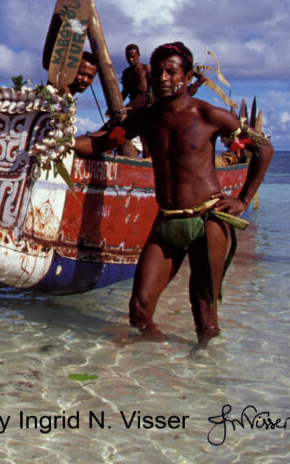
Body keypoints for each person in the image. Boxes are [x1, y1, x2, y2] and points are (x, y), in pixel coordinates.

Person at [73, 41, 272, 349]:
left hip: (207, 222)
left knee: (204, 315)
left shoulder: (209, 116)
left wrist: (243, 199)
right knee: (139, 311)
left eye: (171, 71)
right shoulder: (146, 119)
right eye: (158, 73)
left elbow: (263, 148)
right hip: (167, 223)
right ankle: (161, 359)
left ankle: (204, 373)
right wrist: (60, 142)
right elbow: (102, 143)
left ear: (188, 77)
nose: (163, 78)